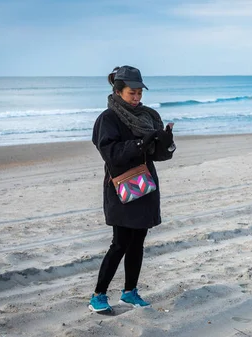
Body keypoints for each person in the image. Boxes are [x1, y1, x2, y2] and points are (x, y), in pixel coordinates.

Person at [89, 65, 175, 312]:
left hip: (145, 185)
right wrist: (140, 142)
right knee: (120, 242)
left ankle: (129, 292)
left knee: (138, 240)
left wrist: (165, 142)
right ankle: (98, 295)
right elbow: (111, 154)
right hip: (121, 187)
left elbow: (157, 155)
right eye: (132, 93)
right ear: (118, 91)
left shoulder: (148, 116)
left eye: (139, 93)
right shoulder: (108, 119)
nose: (137, 98)